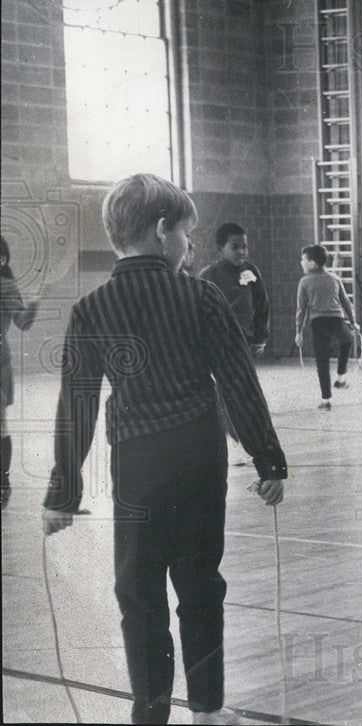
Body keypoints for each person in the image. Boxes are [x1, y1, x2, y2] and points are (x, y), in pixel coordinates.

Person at [42, 174, 287, 725]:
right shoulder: (201, 295)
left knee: (139, 593)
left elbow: (76, 405)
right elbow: (239, 384)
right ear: (161, 231)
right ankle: (206, 709)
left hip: (137, 466)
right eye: (186, 233)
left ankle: (149, 714)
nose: (191, 246)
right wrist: (268, 459)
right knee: (201, 585)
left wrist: (63, 492)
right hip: (199, 459)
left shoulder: (91, 308)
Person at [200, 223, 270, 455]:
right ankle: (233, 439)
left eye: (245, 247)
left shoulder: (251, 272)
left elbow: (262, 306)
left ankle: (242, 438)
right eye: (235, 247)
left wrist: (261, 337)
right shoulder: (208, 276)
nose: (242, 252)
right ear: (220, 248)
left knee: (242, 391)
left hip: (246, 343)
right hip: (219, 345)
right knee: (227, 391)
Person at [1, 235, 41, 510]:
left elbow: (23, 322)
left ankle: (3, 483)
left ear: (3, 259)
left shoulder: (5, 286)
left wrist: (36, 300)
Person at [295, 244, 358, 408]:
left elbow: (301, 310)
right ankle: (334, 387)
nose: (301, 263)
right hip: (327, 321)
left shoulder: (323, 280)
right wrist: (352, 322)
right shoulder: (324, 280)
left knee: (324, 360)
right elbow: (347, 304)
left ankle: (332, 391)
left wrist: (298, 332)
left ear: (312, 263)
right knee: (346, 342)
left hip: (328, 321)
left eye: (303, 260)